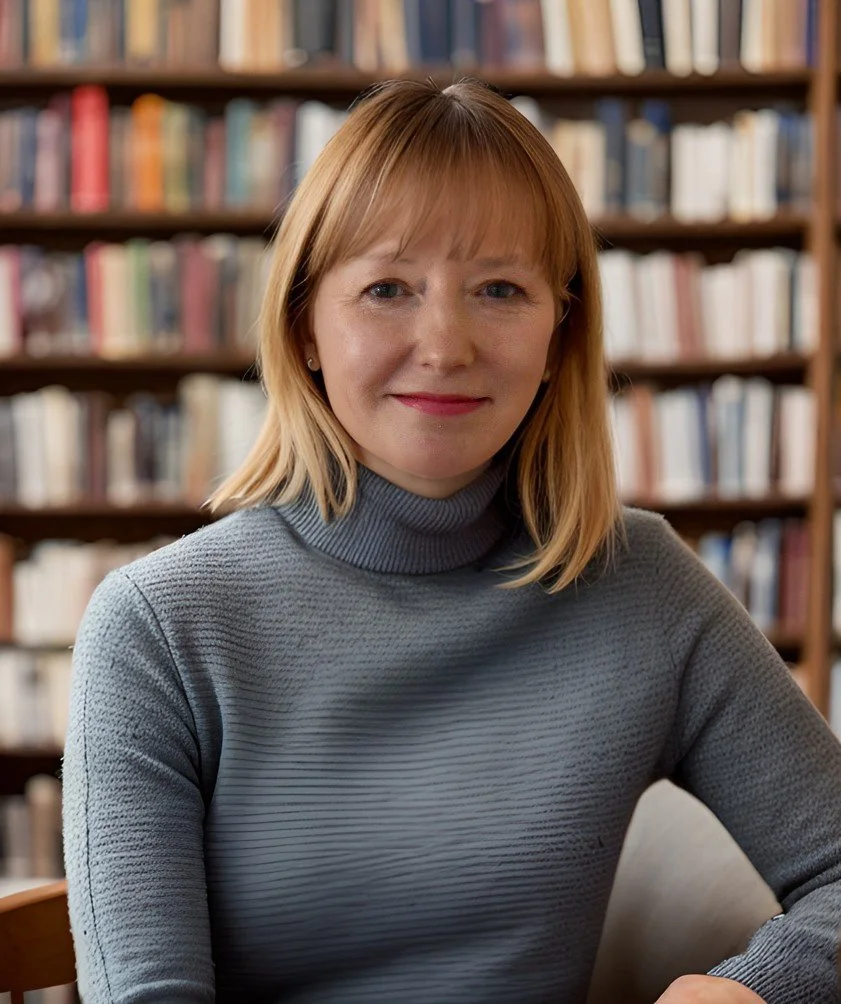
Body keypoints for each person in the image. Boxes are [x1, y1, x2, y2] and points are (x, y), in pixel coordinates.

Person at [62, 78, 841, 1004]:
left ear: (560, 334)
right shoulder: (158, 628)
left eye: (499, 289)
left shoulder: (644, 589)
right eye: (387, 288)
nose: (444, 343)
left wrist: (752, 992)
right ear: (306, 324)